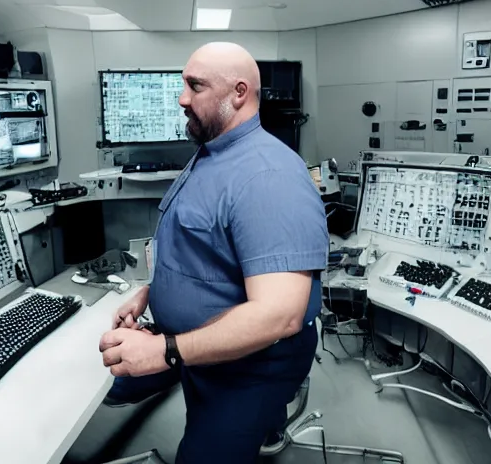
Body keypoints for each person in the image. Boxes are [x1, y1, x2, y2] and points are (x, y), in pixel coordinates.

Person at [98, 42, 329, 463]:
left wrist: (165, 350)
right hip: (198, 347)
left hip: (250, 368)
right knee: (110, 379)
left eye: (195, 86)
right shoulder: (212, 153)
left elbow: (280, 314)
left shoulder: (269, 177)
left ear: (238, 93)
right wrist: (151, 294)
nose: (182, 98)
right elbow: (203, 248)